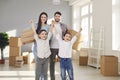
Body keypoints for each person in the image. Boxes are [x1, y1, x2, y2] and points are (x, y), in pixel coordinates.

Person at [49, 11, 68, 80]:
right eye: (56, 16)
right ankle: (52, 78)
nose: (57, 17)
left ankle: (64, 77)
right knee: (52, 65)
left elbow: (67, 36)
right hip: (52, 47)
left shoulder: (64, 26)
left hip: (61, 47)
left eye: (59, 16)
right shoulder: (50, 25)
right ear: (54, 17)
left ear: (60, 17)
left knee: (63, 63)